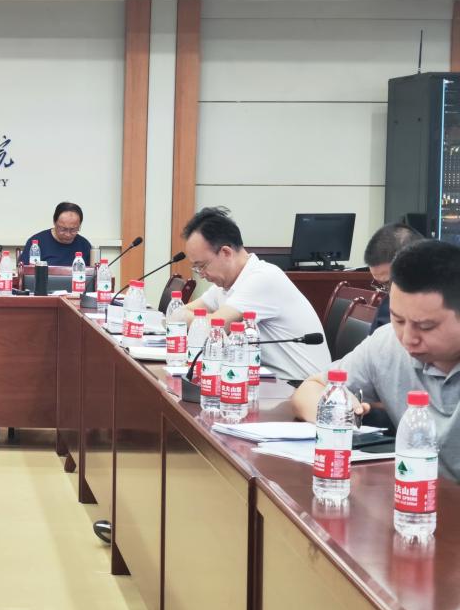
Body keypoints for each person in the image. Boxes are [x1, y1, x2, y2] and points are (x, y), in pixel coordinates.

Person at [291, 240, 460, 481]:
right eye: (398, 320)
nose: (408, 338)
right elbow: (310, 389)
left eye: (425, 326)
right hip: (416, 493)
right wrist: (337, 410)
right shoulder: (387, 343)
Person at [172, 206, 330, 380]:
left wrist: (184, 317)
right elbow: (178, 313)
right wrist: (184, 317)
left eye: (202, 266)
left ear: (226, 253)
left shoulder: (263, 278)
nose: (201, 274)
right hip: (265, 380)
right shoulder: (225, 284)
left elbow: (212, 328)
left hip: (297, 384)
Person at [362, 223, 423, 335]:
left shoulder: (446, 305)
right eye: (382, 285)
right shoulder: (387, 304)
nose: (389, 292)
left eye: (388, 283)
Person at [19, 202, 93, 266]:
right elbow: (23, 272)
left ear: (79, 225)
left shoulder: (84, 245)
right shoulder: (36, 244)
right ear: (54, 222)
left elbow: (93, 274)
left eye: (73, 230)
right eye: (63, 229)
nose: (68, 234)